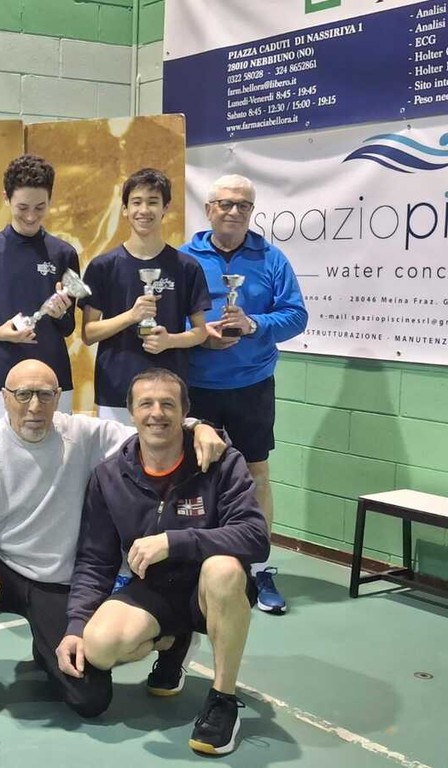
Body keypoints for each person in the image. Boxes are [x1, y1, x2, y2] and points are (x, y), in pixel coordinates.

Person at [0, 360, 227, 716]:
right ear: (5, 398)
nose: (34, 406)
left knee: (89, 699)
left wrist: (197, 427)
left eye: (45, 395)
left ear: (58, 396)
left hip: (59, 585)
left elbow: (149, 428)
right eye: (23, 395)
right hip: (1, 573)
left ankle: (171, 640)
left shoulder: (84, 435)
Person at [60, 368, 270, 756]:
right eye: (146, 404)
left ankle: (222, 700)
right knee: (99, 647)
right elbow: (95, 560)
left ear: (185, 414)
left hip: (211, 591)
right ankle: (174, 642)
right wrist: (76, 624)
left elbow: (256, 537)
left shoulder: (222, 461)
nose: (157, 413)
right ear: (131, 413)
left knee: (223, 568)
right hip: (154, 590)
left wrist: (175, 542)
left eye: (168, 404)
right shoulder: (110, 476)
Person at [181, 174, 308, 614]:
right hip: (196, 385)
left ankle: (257, 567)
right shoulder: (184, 258)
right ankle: (195, 565)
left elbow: (296, 316)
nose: (234, 212)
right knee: (193, 475)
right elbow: (166, 318)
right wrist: (201, 336)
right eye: (225, 204)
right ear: (209, 209)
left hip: (252, 384)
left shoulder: (272, 259)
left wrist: (254, 324)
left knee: (256, 474)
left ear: (252, 211)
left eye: (243, 205)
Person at [79, 168, 212, 425]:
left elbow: (200, 332)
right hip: (116, 390)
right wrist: (131, 316)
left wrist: (169, 340)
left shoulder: (187, 267)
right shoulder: (102, 266)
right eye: (136, 202)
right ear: (125, 209)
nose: (144, 210)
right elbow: (89, 333)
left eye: (153, 202)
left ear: (165, 208)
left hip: (168, 392)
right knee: (118, 451)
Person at [0, 154, 77, 426]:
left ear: (50, 199)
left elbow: (68, 327)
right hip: (0, 376)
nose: (31, 216)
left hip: (53, 375)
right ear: (7, 198)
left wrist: (61, 314)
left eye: (40, 207)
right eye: (22, 207)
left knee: (58, 448)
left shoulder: (64, 253)